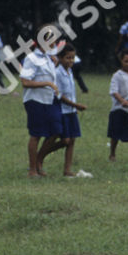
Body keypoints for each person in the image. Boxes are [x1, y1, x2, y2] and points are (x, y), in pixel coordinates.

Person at [37, 45, 90, 178]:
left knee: (72, 140)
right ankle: (40, 157)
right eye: (67, 58)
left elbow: (70, 92)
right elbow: (59, 95)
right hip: (62, 110)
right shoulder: (58, 73)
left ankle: (67, 170)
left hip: (71, 110)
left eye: (72, 58)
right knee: (64, 140)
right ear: (60, 58)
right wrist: (75, 105)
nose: (70, 61)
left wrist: (74, 107)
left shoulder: (70, 71)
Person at [19, 30, 62, 179]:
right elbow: (25, 82)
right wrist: (48, 83)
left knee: (56, 131)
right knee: (36, 134)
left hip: (48, 100)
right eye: (53, 40)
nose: (55, 43)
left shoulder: (49, 58)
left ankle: (38, 161)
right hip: (35, 101)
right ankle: (32, 170)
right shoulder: (31, 58)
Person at [108, 50, 128, 161]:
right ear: (121, 60)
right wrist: (122, 101)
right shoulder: (117, 75)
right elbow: (114, 91)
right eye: (126, 61)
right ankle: (112, 153)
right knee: (115, 133)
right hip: (119, 109)